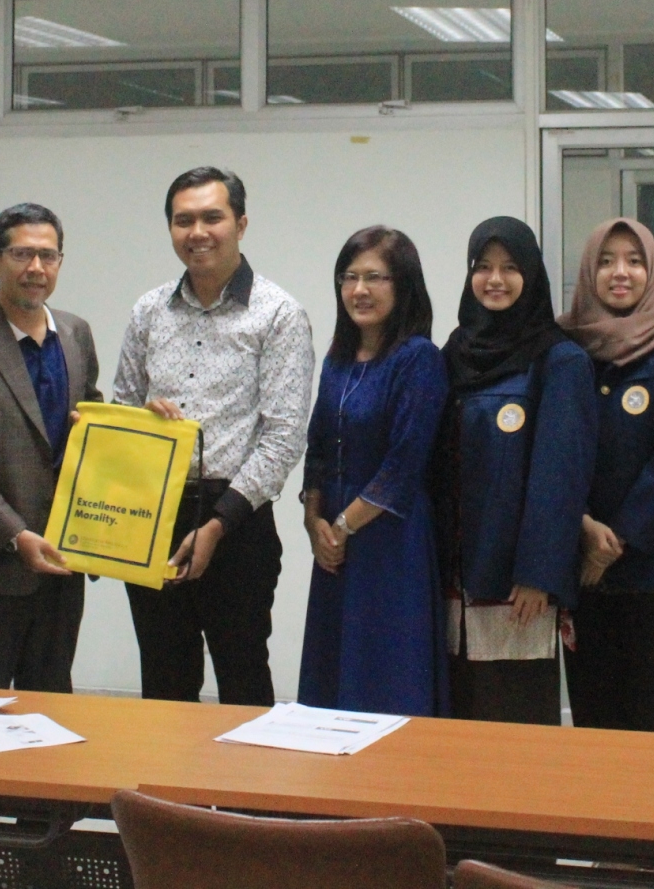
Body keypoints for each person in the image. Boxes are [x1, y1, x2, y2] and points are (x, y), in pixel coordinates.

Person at [112, 167, 315, 704]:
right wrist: (140, 422)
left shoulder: (278, 315)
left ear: (241, 224)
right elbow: (120, 409)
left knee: (243, 682)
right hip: (153, 515)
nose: (197, 231)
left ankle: (243, 793)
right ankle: (170, 792)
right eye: (183, 220)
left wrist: (218, 524)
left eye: (211, 217)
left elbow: (283, 438)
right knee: (164, 683)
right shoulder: (149, 311)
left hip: (237, 524)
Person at [434, 216, 598, 725]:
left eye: (509, 268)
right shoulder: (455, 352)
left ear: (532, 275)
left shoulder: (559, 360)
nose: (495, 280)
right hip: (454, 575)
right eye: (483, 267)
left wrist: (538, 574)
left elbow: (561, 477)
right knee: (457, 713)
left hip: (515, 586)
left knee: (512, 717)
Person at [0, 203, 102, 693]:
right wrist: (15, 534)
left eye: (48, 256)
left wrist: (140, 424)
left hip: (64, 565)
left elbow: (90, 426)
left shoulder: (75, 333)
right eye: (22, 254)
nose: (36, 269)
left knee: (51, 701)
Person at [558, 218, 654, 734]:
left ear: (652, 271)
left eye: (634, 261)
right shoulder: (564, 346)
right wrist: (584, 527)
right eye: (606, 261)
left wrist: (619, 537)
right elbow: (553, 451)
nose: (619, 273)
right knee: (592, 706)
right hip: (579, 561)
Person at [298, 226, 447, 716]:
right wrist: (314, 521)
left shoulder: (417, 358)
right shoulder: (337, 360)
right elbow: (317, 447)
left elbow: (403, 464)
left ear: (402, 284)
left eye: (374, 277)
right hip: (334, 546)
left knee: (385, 676)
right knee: (332, 676)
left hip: (391, 541)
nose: (359, 290)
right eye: (349, 277)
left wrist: (341, 527)